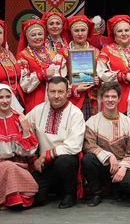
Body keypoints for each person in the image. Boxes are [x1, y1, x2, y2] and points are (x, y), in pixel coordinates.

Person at [25, 77, 86, 208]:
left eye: (60, 92)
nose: (56, 96)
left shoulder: (75, 113)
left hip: (66, 160)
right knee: (35, 198)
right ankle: (55, 188)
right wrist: (33, 158)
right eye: (52, 91)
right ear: (47, 92)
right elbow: (25, 130)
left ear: (68, 93)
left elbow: (74, 145)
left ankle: (69, 194)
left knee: (64, 162)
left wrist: (46, 155)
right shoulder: (38, 110)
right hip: (44, 164)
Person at [83, 82, 130, 206]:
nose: (110, 100)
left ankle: (116, 188)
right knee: (88, 159)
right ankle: (97, 193)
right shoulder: (92, 122)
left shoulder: (129, 123)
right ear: (101, 98)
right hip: (102, 165)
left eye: (114, 96)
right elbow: (89, 146)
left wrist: (123, 167)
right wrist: (109, 156)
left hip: (121, 165)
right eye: (107, 96)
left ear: (119, 99)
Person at [97, 15, 130, 121]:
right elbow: (101, 73)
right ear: (114, 34)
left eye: (127, 30)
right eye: (120, 31)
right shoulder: (107, 51)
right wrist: (122, 76)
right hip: (117, 97)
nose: (124, 33)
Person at [16, 18, 63, 111]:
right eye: (33, 35)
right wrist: (42, 74)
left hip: (55, 98)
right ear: (27, 37)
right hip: (36, 99)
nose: (37, 37)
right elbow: (24, 85)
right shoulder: (23, 55)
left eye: (40, 34)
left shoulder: (51, 52)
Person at [65, 15, 100, 119]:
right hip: (72, 99)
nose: (80, 34)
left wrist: (98, 80)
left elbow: (103, 75)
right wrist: (74, 88)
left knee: (90, 127)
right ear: (71, 32)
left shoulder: (96, 52)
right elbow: (58, 78)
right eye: (76, 30)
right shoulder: (63, 53)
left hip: (92, 98)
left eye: (83, 30)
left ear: (88, 32)